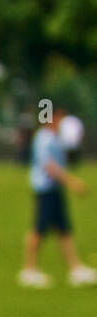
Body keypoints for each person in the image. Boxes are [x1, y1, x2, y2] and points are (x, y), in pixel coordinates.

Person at [18, 107, 96, 288]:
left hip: (54, 189)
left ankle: (75, 268)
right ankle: (29, 270)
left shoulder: (53, 137)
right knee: (39, 229)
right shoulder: (44, 138)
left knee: (64, 230)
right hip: (46, 189)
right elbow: (49, 167)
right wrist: (72, 182)